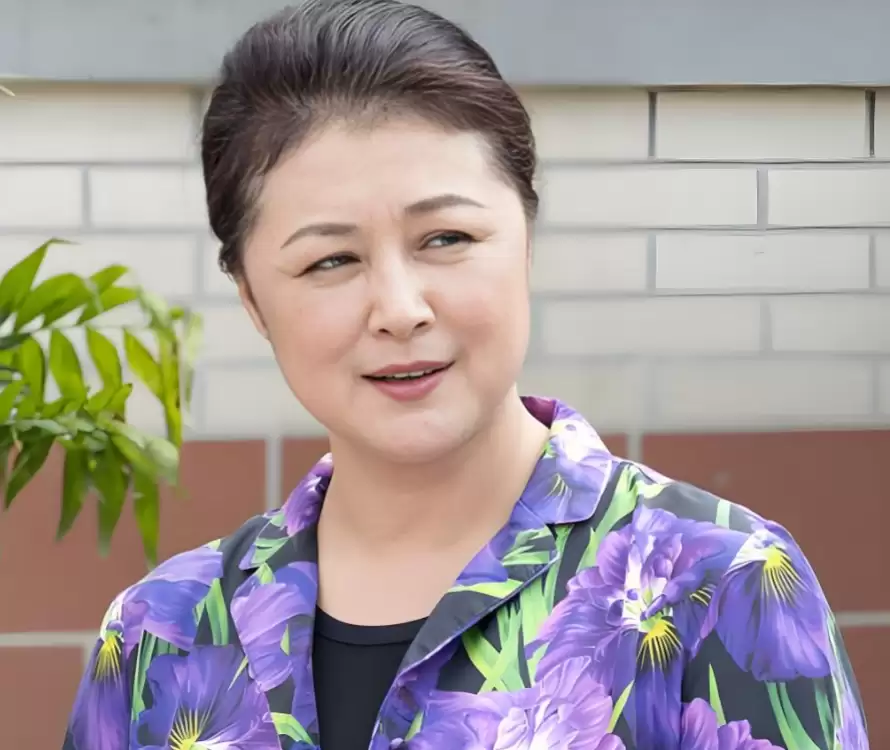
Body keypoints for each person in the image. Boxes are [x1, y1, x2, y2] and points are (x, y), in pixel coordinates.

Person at [61, 1, 869, 748]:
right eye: (331, 260)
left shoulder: (720, 584)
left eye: (446, 239)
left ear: (526, 240)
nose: (399, 308)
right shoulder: (158, 636)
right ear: (252, 300)